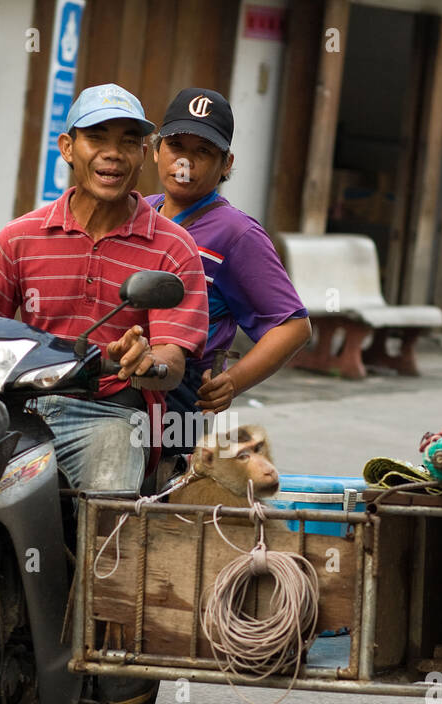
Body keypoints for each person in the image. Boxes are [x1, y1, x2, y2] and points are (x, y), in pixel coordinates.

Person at [0, 83, 209, 492]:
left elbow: (172, 360)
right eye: (96, 137)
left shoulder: (173, 247)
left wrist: (145, 359)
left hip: (111, 415)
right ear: (67, 147)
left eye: (128, 141)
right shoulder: (21, 236)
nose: (113, 152)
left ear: (142, 154)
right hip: (14, 408)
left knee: (107, 523)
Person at [145, 87, 310, 450]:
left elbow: (294, 326)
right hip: (122, 377)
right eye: (176, 147)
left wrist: (233, 381)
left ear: (227, 164)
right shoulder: (139, 211)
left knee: (163, 497)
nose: (185, 163)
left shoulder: (238, 235)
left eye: (202, 152)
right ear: (156, 150)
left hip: (181, 395)